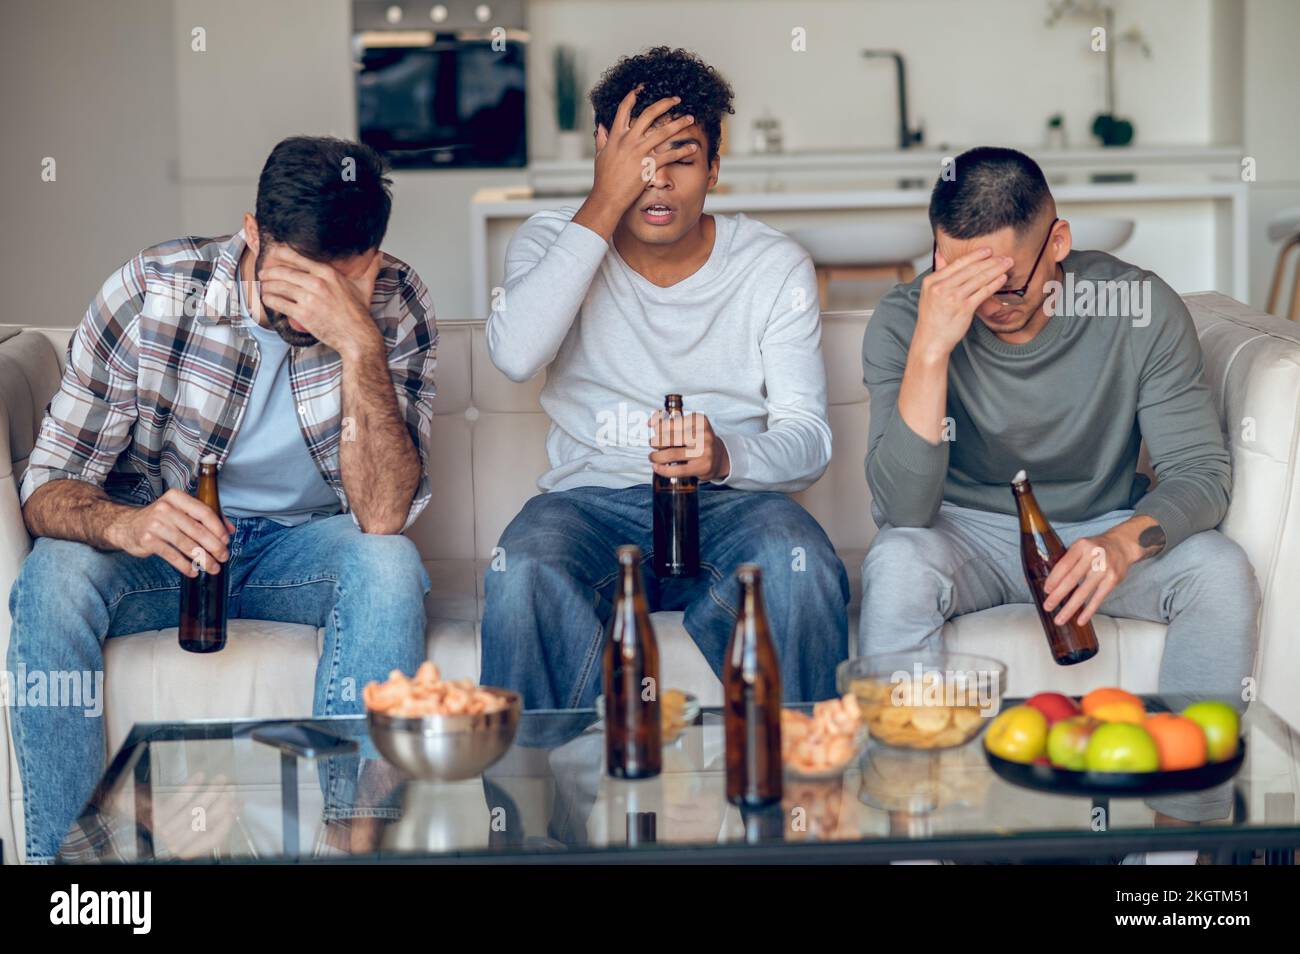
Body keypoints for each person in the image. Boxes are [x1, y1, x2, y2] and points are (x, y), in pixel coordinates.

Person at [8, 136, 438, 863]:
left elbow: (383, 517)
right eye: (298, 278)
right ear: (252, 233)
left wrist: (359, 342)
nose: (312, 311)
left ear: (374, 259)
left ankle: (351, 853)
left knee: (390, 563)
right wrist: (127, 523)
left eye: (342, 284)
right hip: (167, 553)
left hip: (300, 554)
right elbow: (44, 488)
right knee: (52, 577)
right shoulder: (151, 292)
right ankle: (69, 873)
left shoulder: (396, 303)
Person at [481, 47, 849, 709]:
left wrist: (725, 455)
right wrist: (604, 197)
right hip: (587, 505)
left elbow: (810, 440)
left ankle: (798, 798)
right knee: (525, 569)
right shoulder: (548, 241)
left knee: (804, 566)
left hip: (731, 505)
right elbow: (513, 354)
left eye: (682, 159)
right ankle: (541, 810)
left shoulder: (772, 265)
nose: (659, 184)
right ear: (603, 152)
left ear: (714, 166)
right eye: (639, 162)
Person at [859, 146, 1259, 708]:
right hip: (965, 531)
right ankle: (905, 783)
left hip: (1100, 525)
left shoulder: (1139, 308)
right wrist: (930, 349)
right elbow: (904, 512)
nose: (984, 305)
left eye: (1006, 283)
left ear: (1058, 243)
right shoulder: (906, 319)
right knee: (898, 561)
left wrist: (1121, 544)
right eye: (958, 276)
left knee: (1220, 571)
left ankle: (1189, 790)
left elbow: (1200, 473)